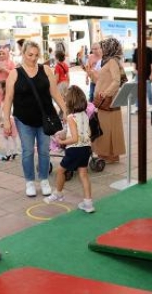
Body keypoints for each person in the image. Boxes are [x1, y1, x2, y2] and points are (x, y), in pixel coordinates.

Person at [2, 41, 67, 197]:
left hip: (45, 118)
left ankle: (44, 180)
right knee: (27, 151)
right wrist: (6, 120)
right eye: (30, 55)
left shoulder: (46, 70)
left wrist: (65, 110)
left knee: (44, 151)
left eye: (36, 55)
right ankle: (30, 182)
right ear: (23, 54)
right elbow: (8, 98)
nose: (33, 58)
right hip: (23, 119)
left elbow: (55, 93)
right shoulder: (15, 73)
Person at [43, 85, 95, 213]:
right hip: (86, 148)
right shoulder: (84, 115)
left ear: (70, 102)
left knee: (60, 171)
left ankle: (58, 193)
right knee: (83, 174)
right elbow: (87, 132)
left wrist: (62, 141)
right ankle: (88, 203)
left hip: (74, 149)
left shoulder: (71, 118)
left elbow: (74, 138)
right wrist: (65, 132)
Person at [92, 38, 127, 163]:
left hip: (108, 100)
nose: (101, 49)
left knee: (107, 128)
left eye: (103, 47)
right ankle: (109, 154)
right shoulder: (108, 61)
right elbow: (101, 80)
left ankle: (109, 155)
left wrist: (105, 93)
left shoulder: (112, 61)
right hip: (105, 100)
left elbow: (116, 81)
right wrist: (90, 72)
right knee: (107, 128)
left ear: (109, 48)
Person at [0, 44, 15, 124]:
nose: (1, 55)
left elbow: (14, 73)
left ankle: (5, 118)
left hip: (7, 84)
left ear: (7, 54)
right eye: (0, 53)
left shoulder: (11, 63)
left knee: (5, 101)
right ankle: (0, 118)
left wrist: (5, 69)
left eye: (3, 53)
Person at [131, 45, 152, 114]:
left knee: (148, 90)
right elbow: (134, 62)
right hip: (138, 75)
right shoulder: (136, 50)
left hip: (147, 74)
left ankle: (150, 105)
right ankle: (137, 106)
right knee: (137, 91)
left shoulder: (149, 49)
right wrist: (135, 70)